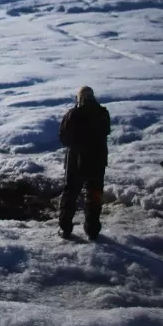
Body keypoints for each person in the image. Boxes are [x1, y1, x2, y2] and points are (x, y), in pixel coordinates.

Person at [58, 86, 111, 241]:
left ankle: (65, 228)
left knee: (71, 193)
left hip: (77, 159)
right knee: (94, 193)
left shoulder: (73, 114)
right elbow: (106, 130)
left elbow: (63, 137)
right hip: (98, 160)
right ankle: (92, 230)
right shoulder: (103, 113)